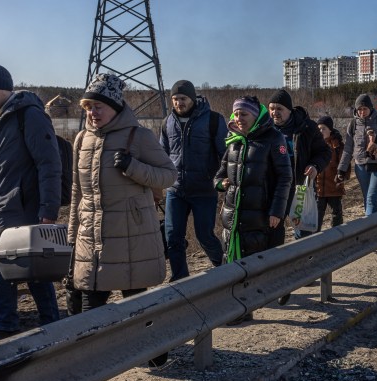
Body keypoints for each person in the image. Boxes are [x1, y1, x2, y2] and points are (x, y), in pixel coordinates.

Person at [68, 73, 176, 365]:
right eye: (88, 107)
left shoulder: (138, 136)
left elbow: (168, 175)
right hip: (92, 237)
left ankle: (156, 351)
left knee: (136, 304)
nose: (92, 113)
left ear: (115, 106)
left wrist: (133, 167)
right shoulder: (81, 139)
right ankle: (89, 367)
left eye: (98, 107)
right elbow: (77, 191)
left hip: (132, 236)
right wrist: (71, 236)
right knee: (90, 306)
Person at [0, 63, 61, 343]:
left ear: (5, 88)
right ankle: (47, 327)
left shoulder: (29, 116)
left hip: (26, 208)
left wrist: (48, 210)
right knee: (22, 269)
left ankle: (10, 329)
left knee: (3, 263)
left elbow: (49, 164)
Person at [160, 80, 227, 282]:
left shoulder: (213, 120)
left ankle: (224, 267)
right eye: (175, 99)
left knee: (204, 235)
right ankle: (180, 278)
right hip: (176, 190)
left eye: (183, 98)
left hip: (204, 189)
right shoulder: (167, 123)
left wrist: (222, 180)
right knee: (173, 237)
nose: (179, 103)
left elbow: (225, 155)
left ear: (192, 98)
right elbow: (162, 155)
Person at [215, 96, 292, 261]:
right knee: (232, 266)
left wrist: (277, 211)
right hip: (233, 219)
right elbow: (219, 175)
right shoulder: (233, 140)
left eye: (244, 114)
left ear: (255, 116)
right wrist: (221, 183)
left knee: (258, 265)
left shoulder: (273, 137)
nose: (238, 119)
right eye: (236, 114)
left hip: (261, 218)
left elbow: (285, 177)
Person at [267, 89, 331, 245]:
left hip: (300, 188)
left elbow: (324, 152)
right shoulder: (265, 129)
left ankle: (306, 264)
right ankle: (277, 265)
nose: (275, 112)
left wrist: (315, 166)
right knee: (273, 230)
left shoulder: (306, 127)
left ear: (289, 110)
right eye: (272, 108)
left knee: (304, 232)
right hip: (275, 188)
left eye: (279, 109)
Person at [338, 94, 377, 216]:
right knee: (367, 198)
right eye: (359, 109)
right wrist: (341, 169)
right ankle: (371, 226)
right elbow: (348, 149)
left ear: (370, 108)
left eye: (365, 109)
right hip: (360, 166)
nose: (362, 112)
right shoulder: (353, 124)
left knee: (371, 198)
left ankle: (370, 229)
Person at [315, 116, 347, 231]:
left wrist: (341, 176)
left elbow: (345, 164)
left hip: (334, 187)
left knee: (336, 215)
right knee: (316, 217)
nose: (320, 131)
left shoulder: (337, 145)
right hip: (319, 188)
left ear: (330, 130)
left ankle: (337, 238)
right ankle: (315, 240)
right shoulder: (314, 144)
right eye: (318, 129)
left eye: (323, 128)